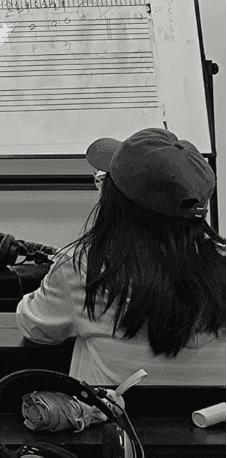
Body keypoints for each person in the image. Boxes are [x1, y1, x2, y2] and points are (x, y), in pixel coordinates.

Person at [17, 127, 226, 386]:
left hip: (118, 412)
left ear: (113, 201)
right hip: (213, 414)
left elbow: (35, 326)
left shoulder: (81, 268)